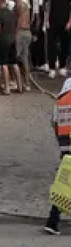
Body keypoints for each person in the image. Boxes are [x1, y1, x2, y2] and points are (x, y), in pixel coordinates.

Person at [44, 75, 71, 235]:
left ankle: (52, 221)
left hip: (66, 148)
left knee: (64, 185)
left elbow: (54, 123)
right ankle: (52, 221)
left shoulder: (60, 101)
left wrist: (61, 145)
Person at [43, 0, 71, 79]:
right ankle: (52, 68)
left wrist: (69, 21)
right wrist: (46, 21)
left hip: (65, 23)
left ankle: (63, 67)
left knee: (65, 46)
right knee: (51, 46)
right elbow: (46, 8)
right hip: (52, 23)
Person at [0, 0, 23, 94]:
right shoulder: (11, 13)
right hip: (12, 40)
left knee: (4, 64)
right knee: (14, 63)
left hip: (3, 41)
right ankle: (20, 86)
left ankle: (7, 88)